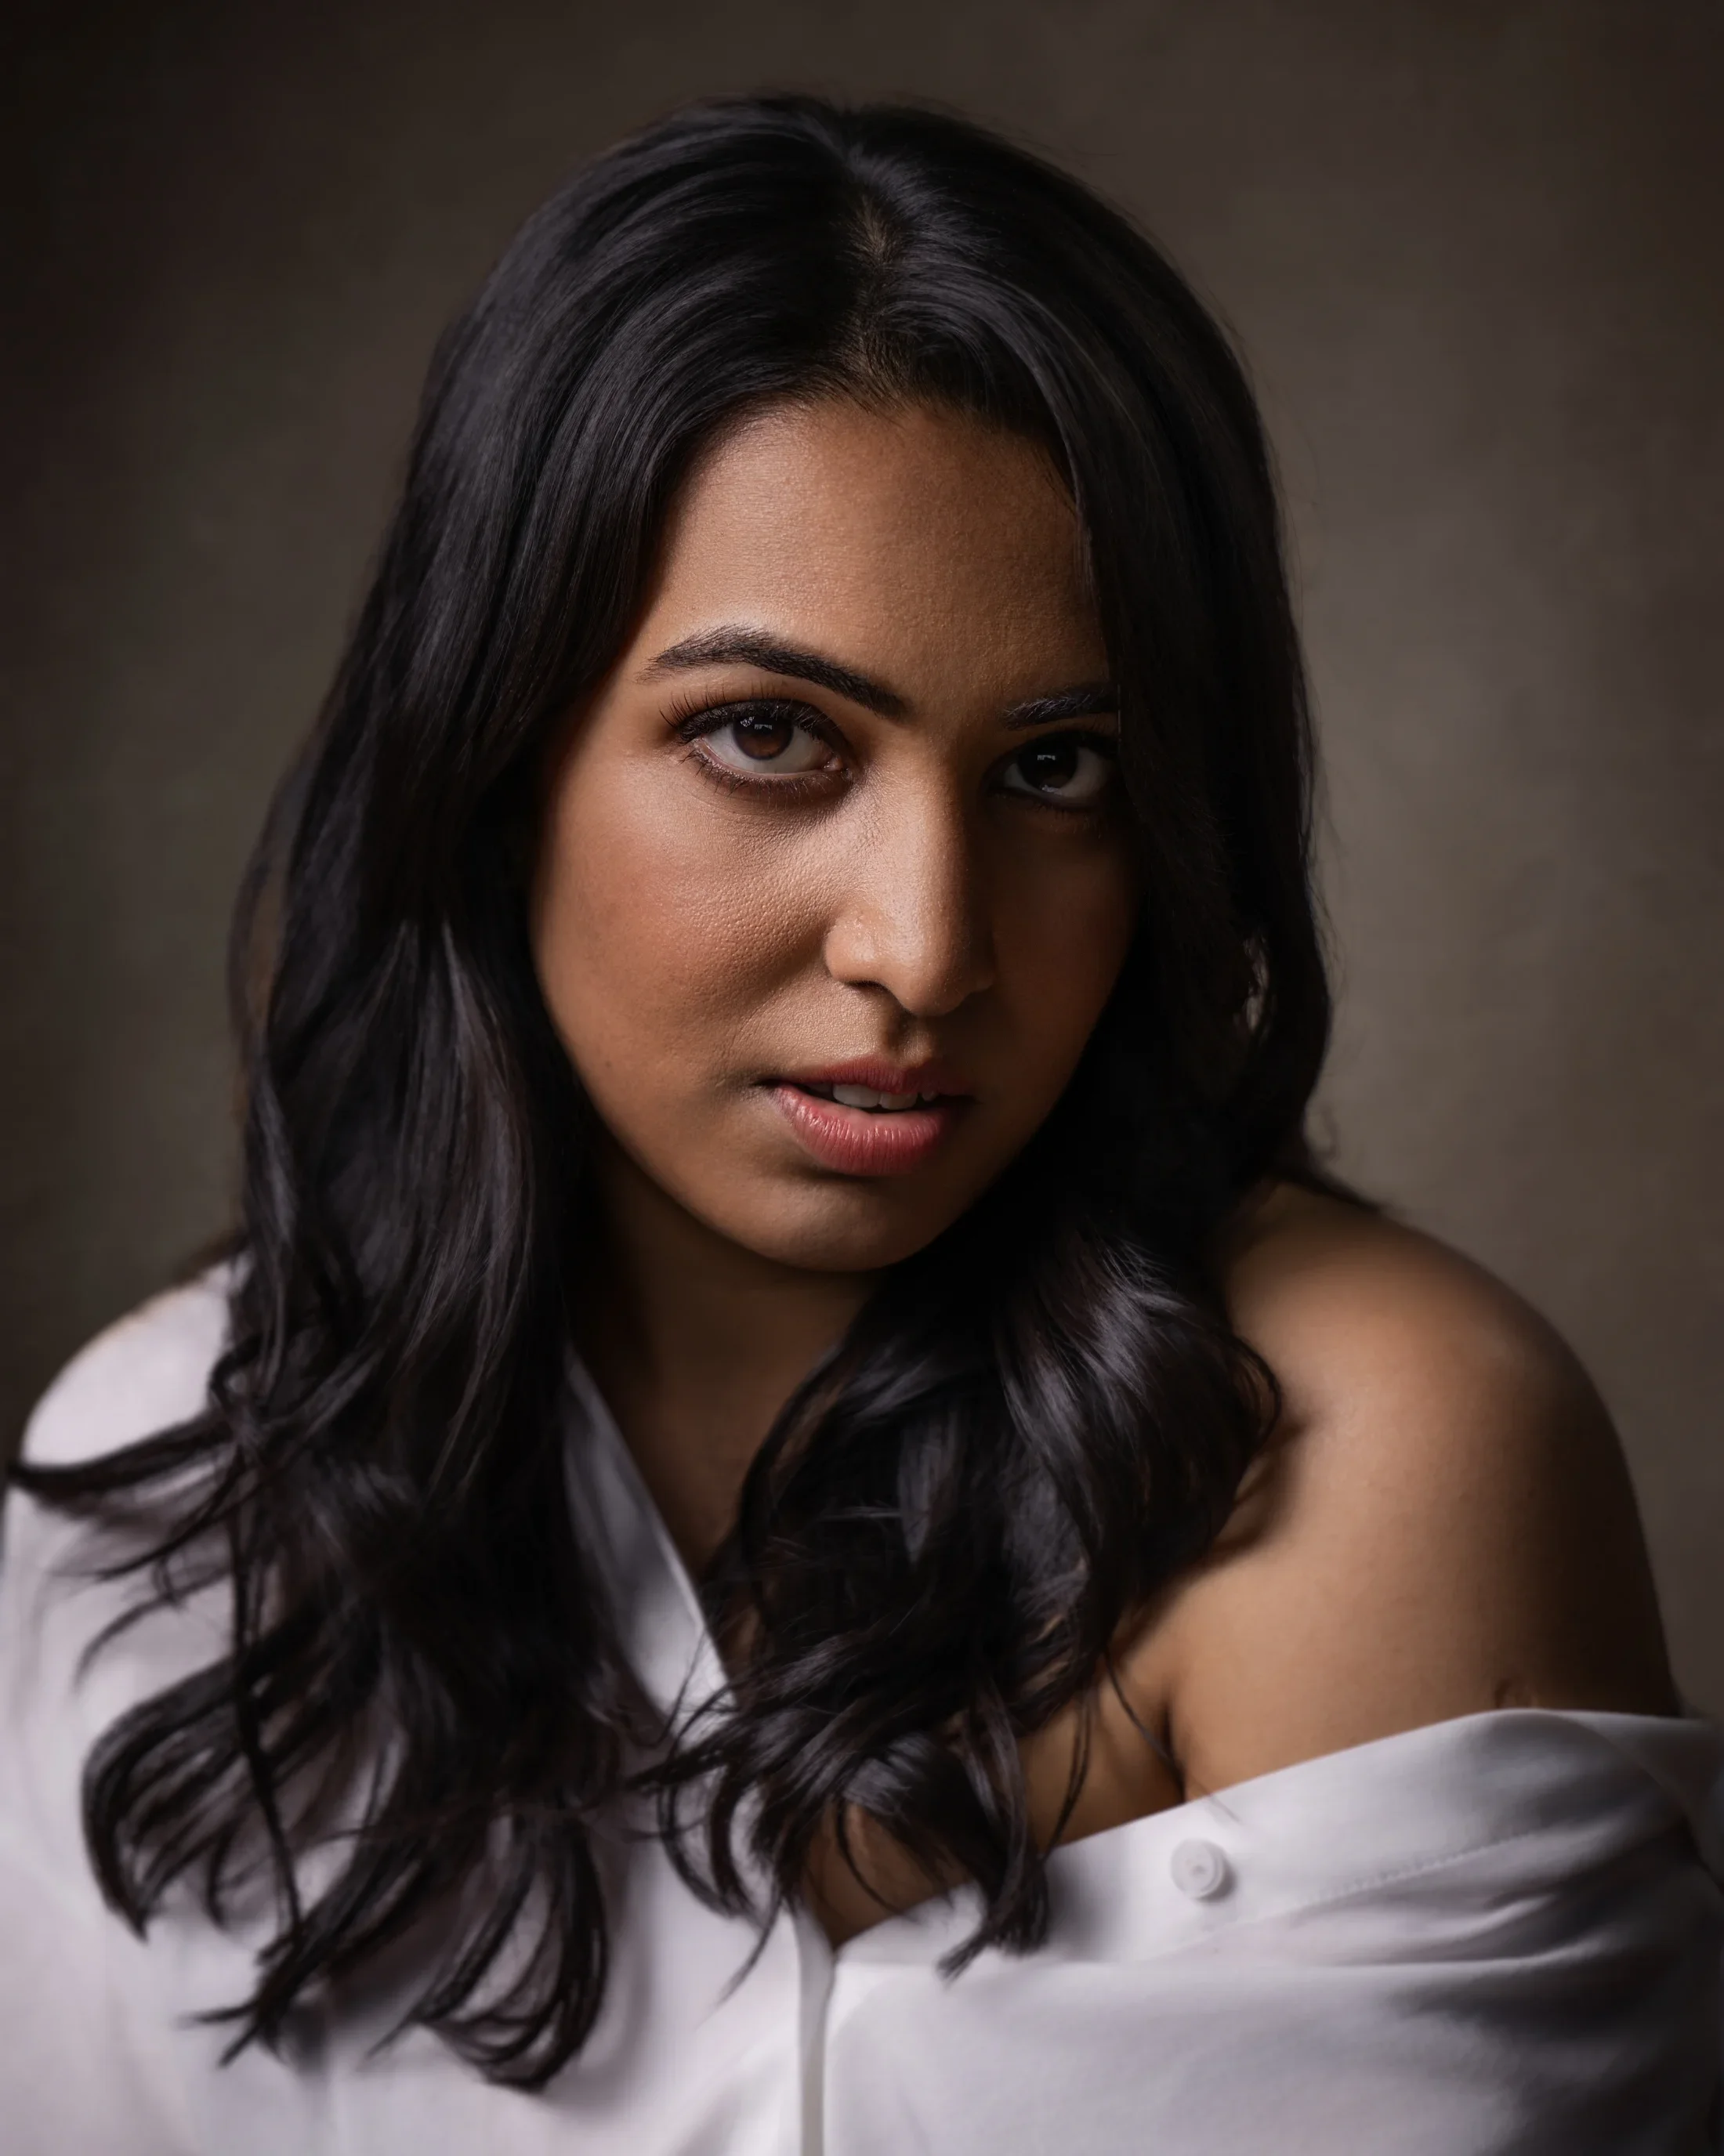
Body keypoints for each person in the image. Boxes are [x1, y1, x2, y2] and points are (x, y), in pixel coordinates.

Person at [2, 92, 1717, 2155]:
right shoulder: (158, 1473)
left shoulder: (1370, 1448)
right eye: (770, 738)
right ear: (496, 754)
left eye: (1061, 767)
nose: (925, 949)